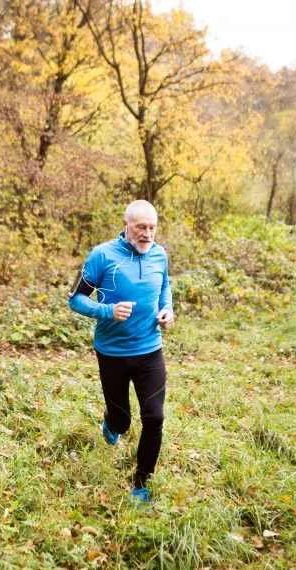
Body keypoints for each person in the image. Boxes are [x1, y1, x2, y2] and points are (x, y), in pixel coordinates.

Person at [67, 199, 174, 504]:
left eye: (153, 227)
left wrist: (167, 309)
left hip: (150, 350)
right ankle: (111, 422)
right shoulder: (102, 255)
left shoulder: (159, 255)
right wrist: (107, 311)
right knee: (123, 421)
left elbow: (164, 288)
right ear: (126, 225)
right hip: (112, 353)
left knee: (154, 418)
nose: (148, 234)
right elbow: (75, 299)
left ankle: (142, 482)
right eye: (141, 227)